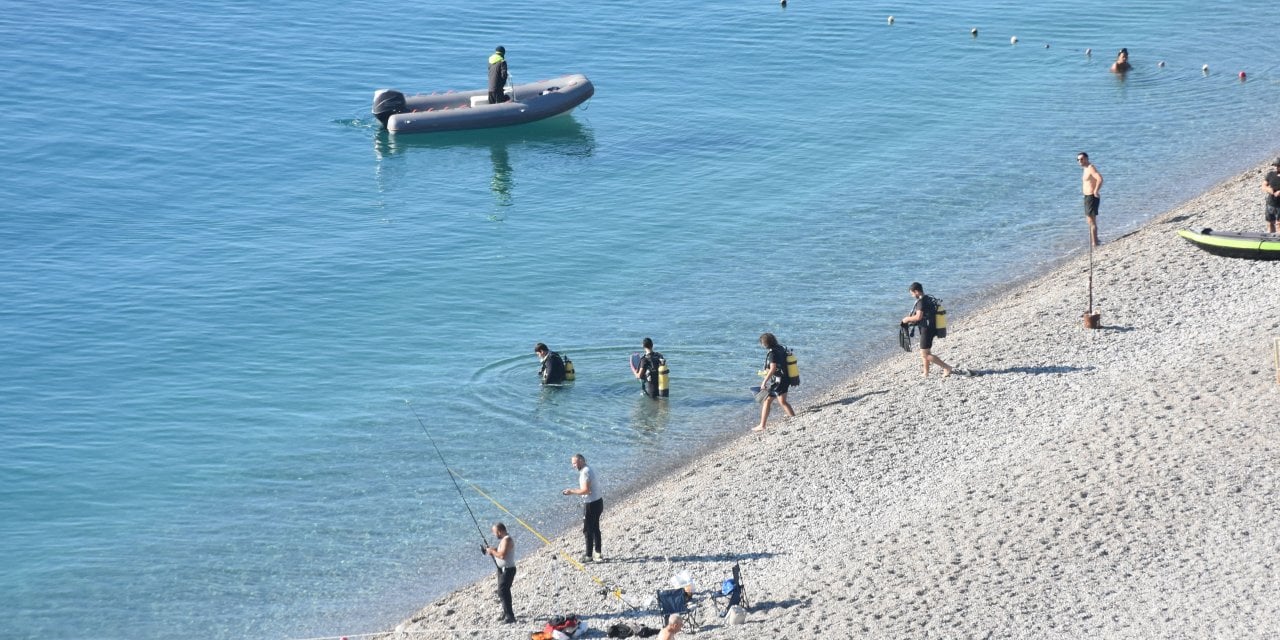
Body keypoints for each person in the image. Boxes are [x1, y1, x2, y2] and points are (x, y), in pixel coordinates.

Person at [902, 282, 955, 378]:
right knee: (926, 352)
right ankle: (926, 373)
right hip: (932, 328)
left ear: (916, 291)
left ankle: (947, 367)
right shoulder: (928, 298)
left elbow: (918, 317)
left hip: (927, 330)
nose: (912, 295)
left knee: (924, 354)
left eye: (912, 293)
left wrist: (907, 319)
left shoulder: (921, 302)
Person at [561, 454, 603, 562]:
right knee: (595, 528)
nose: (573, 466)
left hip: (591, 504)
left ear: (581, 461)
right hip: (598, 501)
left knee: (588, 530)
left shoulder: (585, 472)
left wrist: (571, 491)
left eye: (574, 463)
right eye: (573, 464)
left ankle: (589, 556)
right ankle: (598, 553)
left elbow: (586, 491)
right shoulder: (590, 468)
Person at [753, 332, 795, 432]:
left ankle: (762, 425)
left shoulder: (772, 353)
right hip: (786, 378)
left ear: (765, 343)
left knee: (767, 401)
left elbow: (772, 369)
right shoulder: (781, 348)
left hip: (778, 381)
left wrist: (764, 382)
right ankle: (793, 417)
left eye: (762, 343)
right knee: (782, 401)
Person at [482, 522, 517, 624]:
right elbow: (500, 550)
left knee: (503, 591)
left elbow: (502, 555)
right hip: (502, 569)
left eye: (495, 532)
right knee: (502, 592)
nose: (494, 534)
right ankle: (506, 613)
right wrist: (491, 549)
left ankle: (510, 617)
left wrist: (493, 552)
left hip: (508, 569)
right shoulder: (504, 540)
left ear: (499, 531)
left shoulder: (507, 539)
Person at [1078, 151, 1104, 246]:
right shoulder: (1085, 169)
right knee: (1089, 221)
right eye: (1078, 159)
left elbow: (1100, 178)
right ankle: (1095, 240)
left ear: (1086, 159)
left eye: (1082, 159)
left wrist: (1096, 191)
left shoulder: (1090, 168)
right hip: (1087, 197)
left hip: (1091, 197)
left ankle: (1095, 243)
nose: (1080, 161)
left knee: (1091, 221)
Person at [1263, 157, 1280, 233]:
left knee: (1279, 224)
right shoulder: (1270, 174)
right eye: (1276, 166)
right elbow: (1263, 186)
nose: (1277, 168)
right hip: (1270, 203)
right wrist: (1269, 190)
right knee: (1270, 223)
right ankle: (1270, 239)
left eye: (1278, 166)